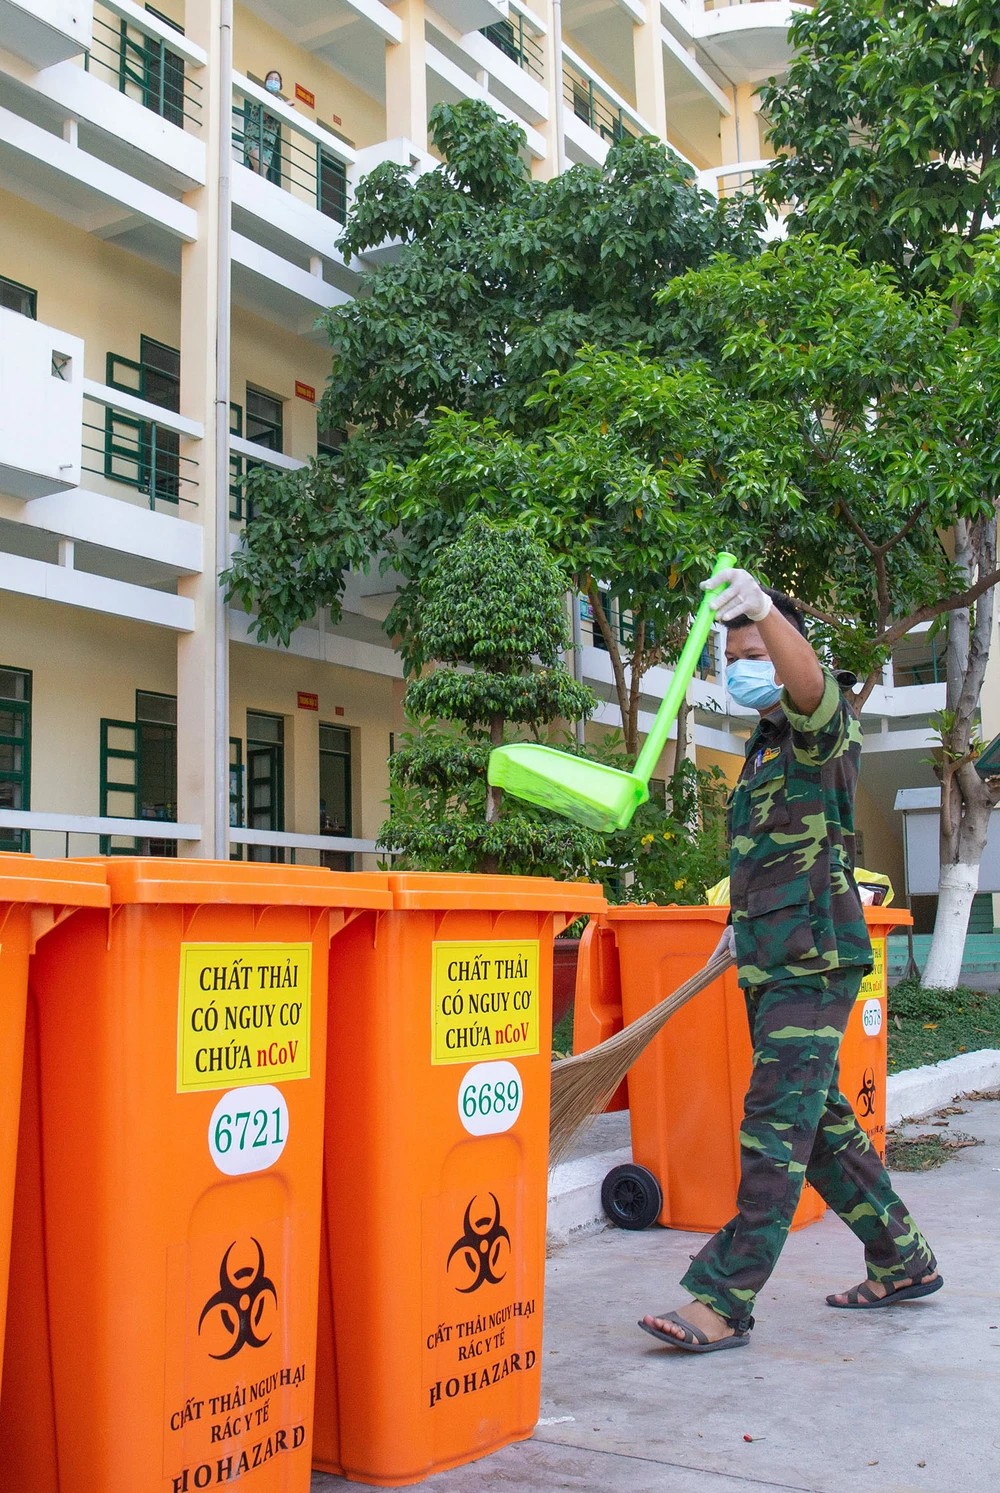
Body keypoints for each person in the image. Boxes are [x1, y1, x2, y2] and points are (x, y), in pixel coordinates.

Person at [640, 566, 941, 1354]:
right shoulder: (764, 747)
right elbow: (771, 854)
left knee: (774, 1126)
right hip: (771, 957)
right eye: (732, 657)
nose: (743, 667)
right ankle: (903, 1257)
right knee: (821, 1123)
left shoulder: (819, 725)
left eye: (757, 652)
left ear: (786, 651)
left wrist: (766, 611)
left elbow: (809, 687)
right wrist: (737, 923)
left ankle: (723, 1299)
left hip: (813, 959)